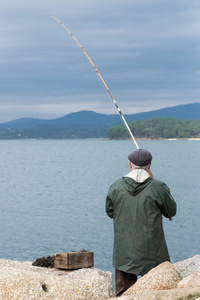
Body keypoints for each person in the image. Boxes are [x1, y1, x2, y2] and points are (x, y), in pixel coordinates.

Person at [105, 149, 177, 297]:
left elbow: (110, 212)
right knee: (155, 293)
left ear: (130, 165)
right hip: (153, 254)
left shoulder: (115, 186)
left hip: (123, 252)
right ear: (149, 165)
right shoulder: (158, 187)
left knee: (124, 295)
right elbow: (171, 211)